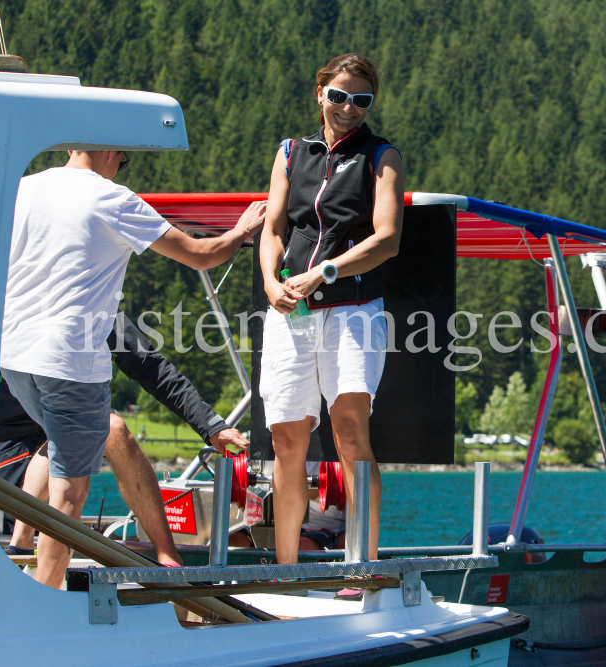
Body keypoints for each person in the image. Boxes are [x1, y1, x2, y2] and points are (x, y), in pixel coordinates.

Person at [0, 148, 265, 588]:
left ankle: (21, 549)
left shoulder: (25, 188)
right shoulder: (111, 198)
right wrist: (240, 231)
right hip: (69, 359)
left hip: (14, 356)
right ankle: (41, 605)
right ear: (110, 152)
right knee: (70, 495)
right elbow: (201, 254)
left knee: (61, 442)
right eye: (122, 161)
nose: (118, 169)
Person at [258, 53, 403, 564]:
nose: (348, 107)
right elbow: (274, 228)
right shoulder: (291, 152)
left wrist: (326, 270)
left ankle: (361, 565)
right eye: (339, 95)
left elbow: (387, 239)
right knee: (287, 440)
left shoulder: (381, 155)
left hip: (353, 308)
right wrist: (270, 283)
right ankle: (285, 571)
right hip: (290, 311)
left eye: (361, 100)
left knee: (349, 432)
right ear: (320, 92)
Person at [0, 312, 250, 566]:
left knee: (91, 430)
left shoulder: (95, 303)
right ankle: (168, 558)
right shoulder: (18, 307)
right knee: (107, 428)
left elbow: (152, 368)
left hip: (53, 461)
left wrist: (212, 426)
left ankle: (167, 559)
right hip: (8, 469)